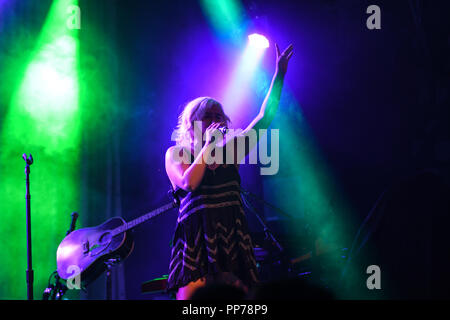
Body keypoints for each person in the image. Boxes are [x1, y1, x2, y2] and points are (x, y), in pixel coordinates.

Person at [164, 43, 293, 300]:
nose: (215, 121)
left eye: (219, 116)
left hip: (231, 233)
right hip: (197, 237)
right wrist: (208, 145)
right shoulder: (176, 153)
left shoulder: (231, 151)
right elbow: (189, 183)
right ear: (192, 123)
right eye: (208, 116)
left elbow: (264, 117)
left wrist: (279, 74)